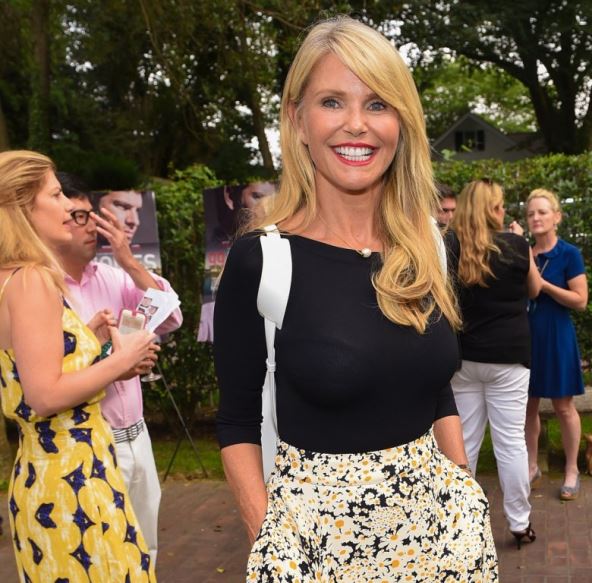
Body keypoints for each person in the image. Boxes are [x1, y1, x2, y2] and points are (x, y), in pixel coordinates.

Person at [214, 17, 497, 581]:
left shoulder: (426, 247)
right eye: (332, 101)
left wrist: (464, 489)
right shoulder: (262, 260)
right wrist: (269, 541)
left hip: (443, 540)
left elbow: (434, 386)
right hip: (320, 551)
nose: (356, 124)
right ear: (297, 119)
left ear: (401, 122)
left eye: (377, 104)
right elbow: (237, 420)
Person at [0, 150, 157, 581]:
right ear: (21, 206)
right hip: (74, 477)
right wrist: (122, 359)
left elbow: (25, 370)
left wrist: (84, 338)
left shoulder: (8, 278)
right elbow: (44, 394)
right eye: (56, 195)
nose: (70, 206)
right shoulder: (32, 278)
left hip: (44, 475)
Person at [55, 172, 183, 565]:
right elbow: (47, 379)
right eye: (78, 217)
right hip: (90, 443)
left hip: (138, 437)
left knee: (146, 548)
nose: (90, 226)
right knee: (101, 555)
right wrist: (114, 362)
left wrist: (129, 263)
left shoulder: (113, 276)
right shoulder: (43, 289)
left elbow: (171, 318)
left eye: (92, 216)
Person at [450, 178, 542, 549]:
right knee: (511, 443)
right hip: (509, 358)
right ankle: (519, 523)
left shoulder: (451, 245)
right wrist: (522, 244)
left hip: (465, 357)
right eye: (500, 205)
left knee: (464, 441)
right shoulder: (516, 245)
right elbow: (535, 289)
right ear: (492, 209)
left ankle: (461, 522)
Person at [524, 188, 588, 501]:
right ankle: (531, 466)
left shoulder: (569, 254)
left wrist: (545, 285)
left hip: (557, 336)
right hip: (526, 337)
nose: (536, 218)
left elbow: (580, 301)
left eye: (542, 212)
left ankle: (572, 469)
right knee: (527, 406)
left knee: (563, 407)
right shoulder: (524, 252)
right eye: (530, 213)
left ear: (557, 217)